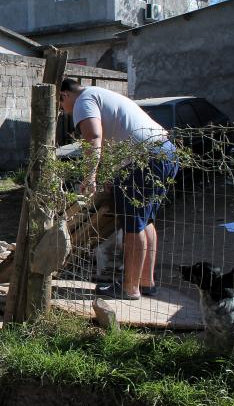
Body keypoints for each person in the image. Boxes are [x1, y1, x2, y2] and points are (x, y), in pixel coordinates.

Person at [59, 79, 179, 300]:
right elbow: (117, 135)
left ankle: (129, 288)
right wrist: (111, 174)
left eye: (61, 106)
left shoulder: (83, 101)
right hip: (165, 153)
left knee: (133, 224)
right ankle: (145, 282)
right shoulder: (100, 94)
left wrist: (90, 176)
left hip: (144, 160)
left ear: (64, 95)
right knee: (146, 221)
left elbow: (94, 138)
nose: (65, 112)